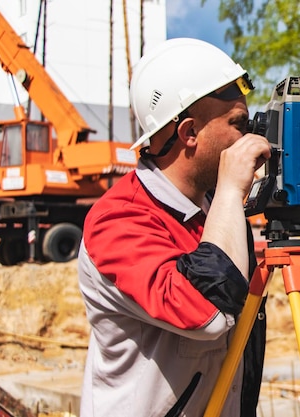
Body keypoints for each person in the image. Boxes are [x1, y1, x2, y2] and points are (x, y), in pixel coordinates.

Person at [77, 38, 271, 417]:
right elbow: (208, 311)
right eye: (238, 125)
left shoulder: (212, 209)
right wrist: (232, 190)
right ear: (189, 133)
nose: (249, 139)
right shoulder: (118, 220)